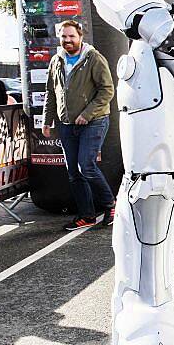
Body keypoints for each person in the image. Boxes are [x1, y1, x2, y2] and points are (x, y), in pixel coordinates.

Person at [41, 20, 116, 230]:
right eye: (64, 37)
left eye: (71, 36)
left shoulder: (94, 58)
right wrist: (47, 120)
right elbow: (50, 93)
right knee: (74, 173)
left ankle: (111, 204)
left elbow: (107, 91)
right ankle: (87, 216)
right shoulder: (56, 60)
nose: (67, 40)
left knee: (86, 166)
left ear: (80, 37)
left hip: (94, 121)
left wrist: (87, 113)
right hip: (66, 124)